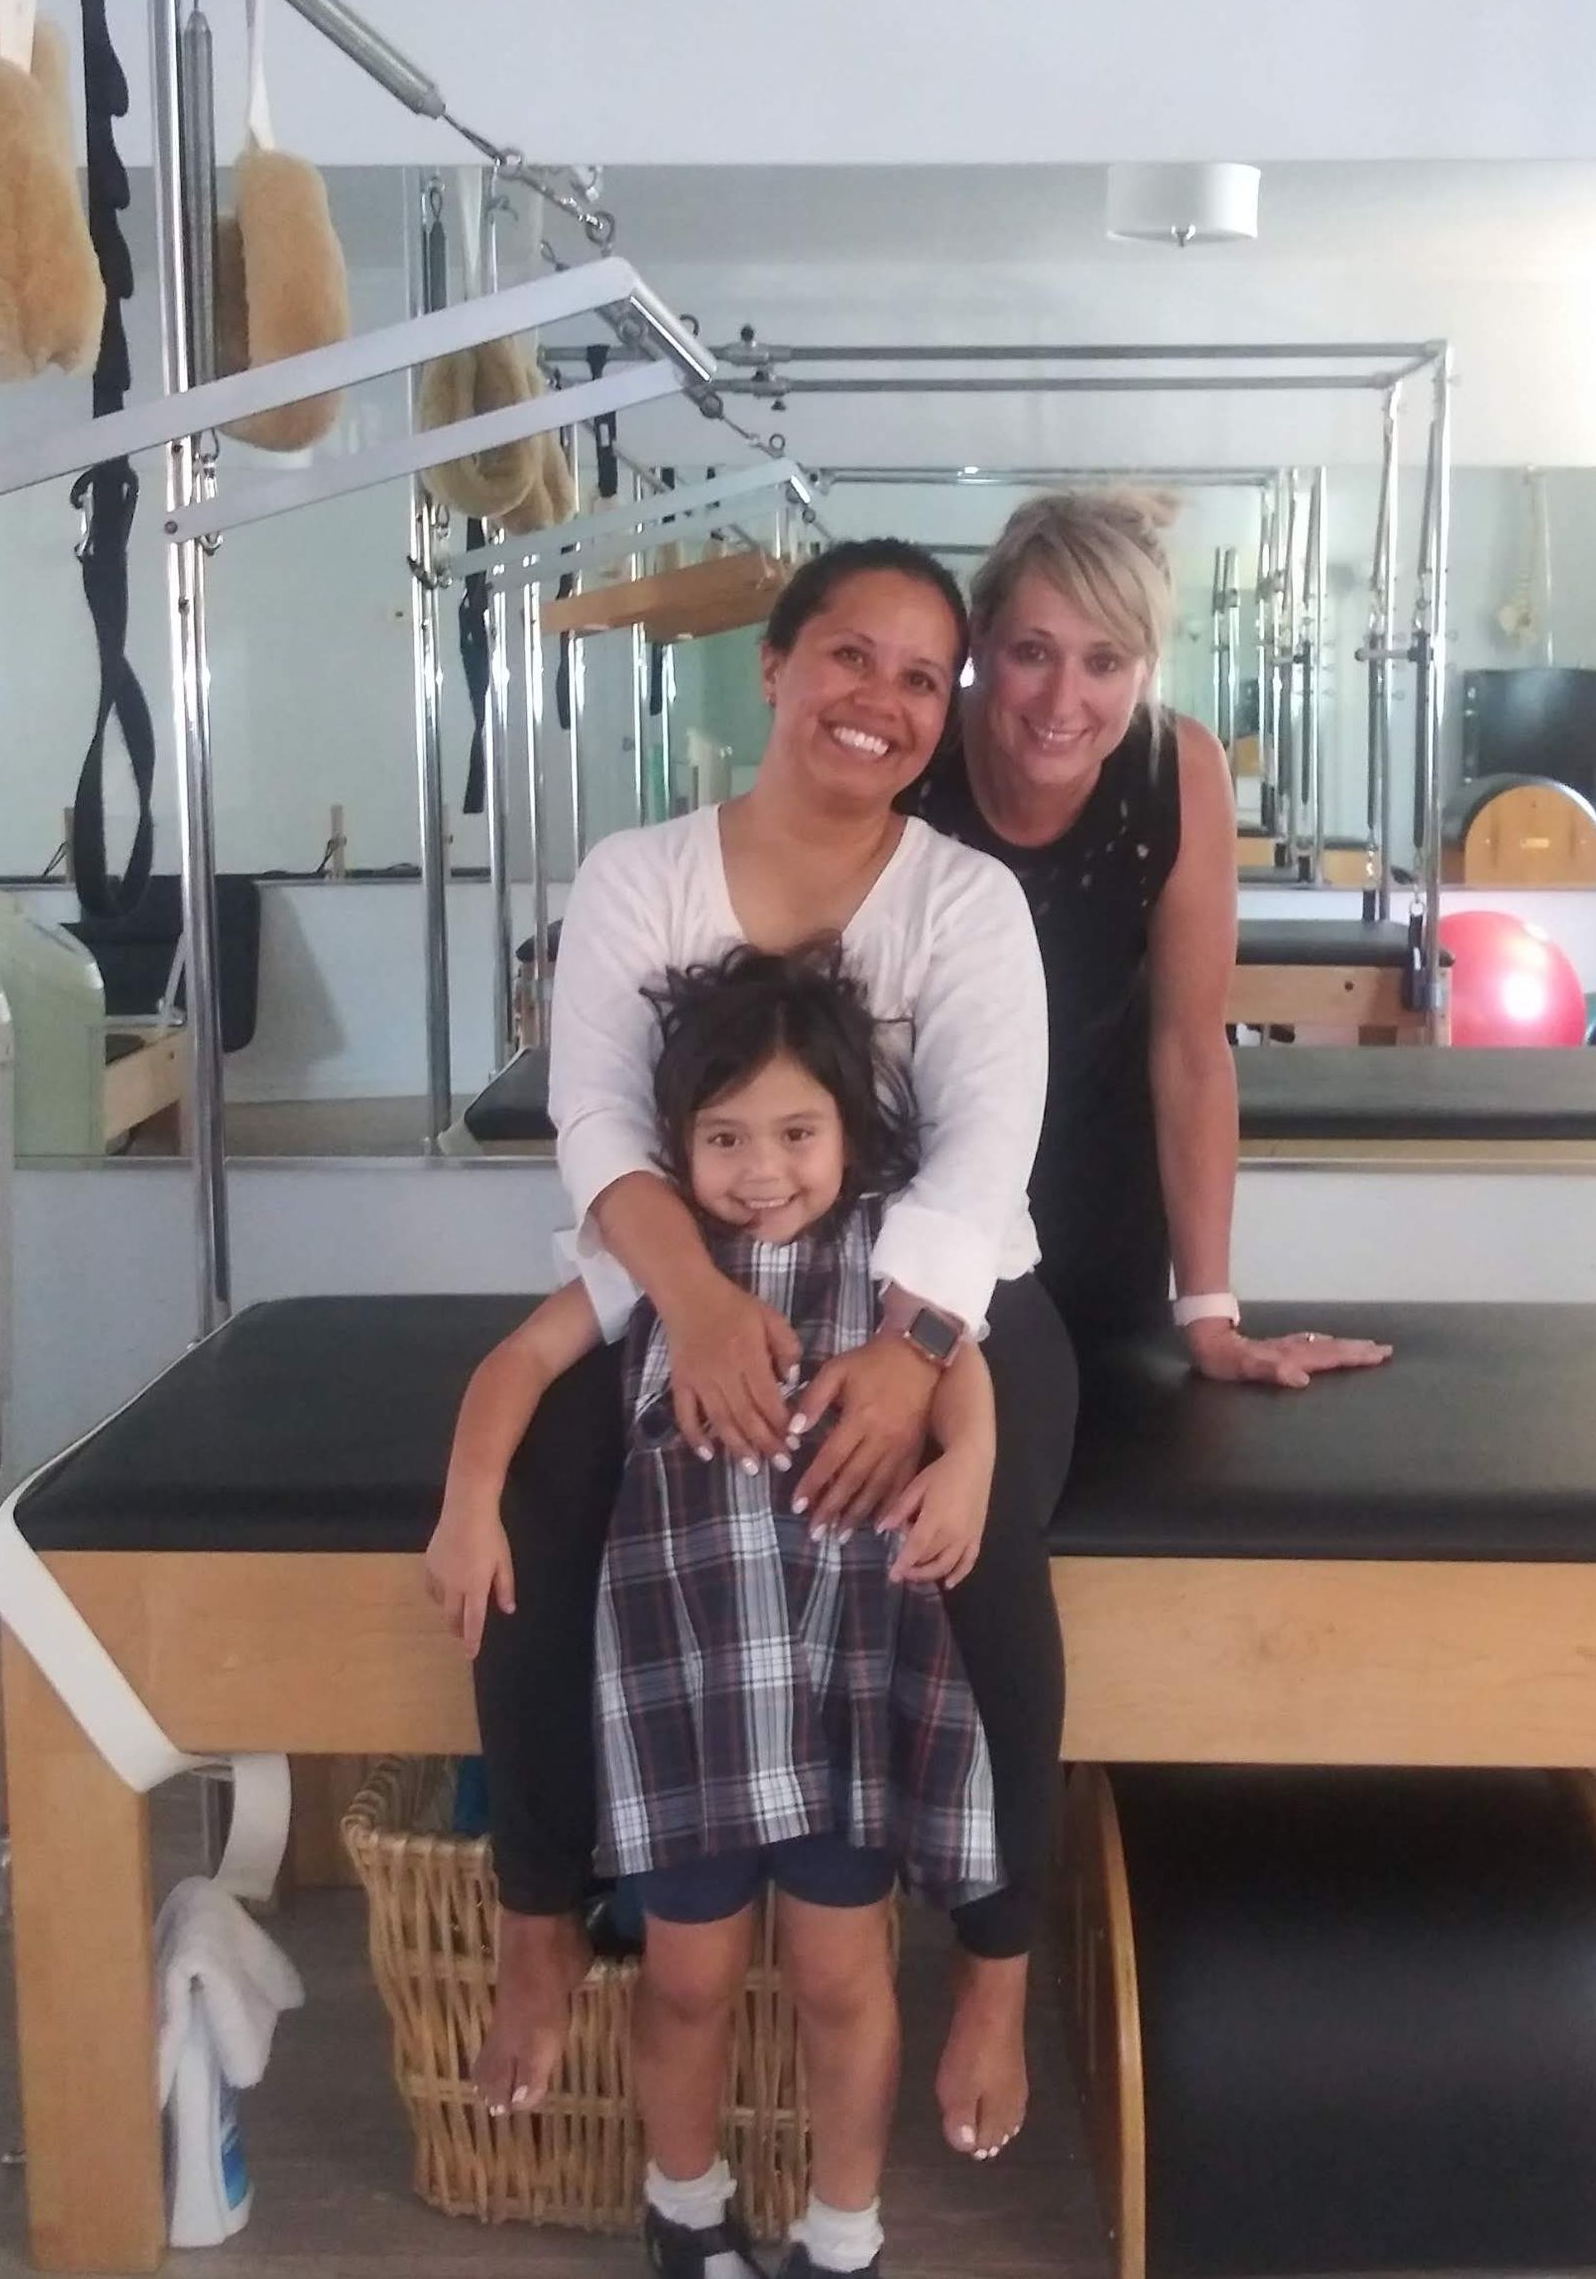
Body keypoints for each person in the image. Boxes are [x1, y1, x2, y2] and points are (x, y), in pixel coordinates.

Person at [460, 540, 1076, 2169]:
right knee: (552, 1493)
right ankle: (538, 1906)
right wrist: (702, 1303)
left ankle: (1000, 1966)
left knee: (979, 1557)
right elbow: (592, 1117)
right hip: (680, 1273)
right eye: (850, 657)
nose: (882, 699)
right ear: (779, 669)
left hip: (937, 1293)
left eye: (921, 678)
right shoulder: (637, 875)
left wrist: (911, 1363)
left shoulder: (966, 902)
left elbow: (984, 1154)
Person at [428, 944, 998, 2279]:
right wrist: (467, 1503)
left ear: (850, 1130)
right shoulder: (652, 1268)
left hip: (844, 1669)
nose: (761, 1168)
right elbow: (516, 1362)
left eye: (797, 1132)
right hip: (686, 1681)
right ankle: (686, 2216)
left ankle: (841, 2235)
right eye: (724, 1135)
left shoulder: (886, 1250)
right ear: (675, 1144)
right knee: (684, 1981)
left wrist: (966, 1462)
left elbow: (960, 1359)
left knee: (840, 1980)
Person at [907, 487, 1394, 1382]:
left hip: (1099, 1187)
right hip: (918, 1202)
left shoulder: (1178, 769)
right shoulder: (917, 759)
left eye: (1105, 661)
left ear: (1144, 666)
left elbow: (1189, 1049)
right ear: (980, 641)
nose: (1064, 698)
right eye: (1032, 652)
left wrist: (1209, 1314)